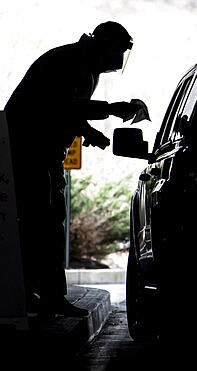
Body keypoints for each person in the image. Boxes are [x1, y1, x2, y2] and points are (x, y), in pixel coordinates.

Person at [4, 21, 142, 319]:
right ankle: (45, 295)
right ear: (104, 46)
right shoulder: (69, 62)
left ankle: (37, 293)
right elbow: (62, 105)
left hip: (40, 151)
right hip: (29, 150)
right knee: (43, 222)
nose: (118, 60)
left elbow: (64, 110)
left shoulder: (78, 63)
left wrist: (89, 133)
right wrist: (112, 108)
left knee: (43, 221)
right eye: (117, 51)